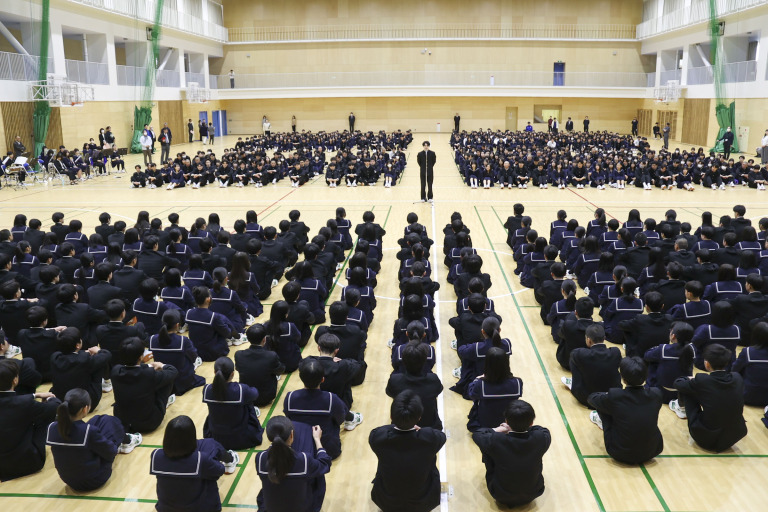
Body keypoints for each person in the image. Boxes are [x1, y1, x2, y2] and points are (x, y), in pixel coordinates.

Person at [46, 388, 142, 491]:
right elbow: (111, 452)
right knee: (113, 425)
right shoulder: (88, 431)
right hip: (95, 479)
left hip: (68, 480)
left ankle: (123, 439)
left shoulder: (53, 427)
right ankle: (127, 441)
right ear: (85, 409)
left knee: (98, 420)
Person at [369, 390, 446, 512]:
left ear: (391, 417)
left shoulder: (377, 437)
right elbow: (442, 436)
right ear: (419, 418)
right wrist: (419, 430)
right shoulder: (430, 438)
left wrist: (397, 426)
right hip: (424, 503)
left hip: (386, 502)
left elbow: (381, 431)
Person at [150, 415, 239, 512]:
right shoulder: (201, 459)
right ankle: (230, 459)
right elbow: (220, 470)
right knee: (211, 446)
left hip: (166, 509)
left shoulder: (156, 455)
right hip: (202, 509)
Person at [471, 400, 551, 508]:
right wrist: (523, 425)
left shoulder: (496, 440)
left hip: (499, 495)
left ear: (506, 421)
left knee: (488, 451)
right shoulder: (541, 438)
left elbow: (478, 434)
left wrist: (501, 429)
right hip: (534, 493)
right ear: (531, 422)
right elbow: (542, 429)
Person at [587, 357, 664, 464]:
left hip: (619, 453)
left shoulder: (615, 395)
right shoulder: (656, 393)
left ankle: (601, 421)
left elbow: (591, 399)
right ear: (645, 376)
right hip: (652, 451)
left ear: (623, 379)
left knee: (604, 405)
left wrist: (606, 395)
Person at [672, 344, 747, 452]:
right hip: (734, 436)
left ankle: (681, 409)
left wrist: (689, 379)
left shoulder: (702, 380)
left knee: (688, 390)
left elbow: (678, 384)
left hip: (706, 439)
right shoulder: (737, 377)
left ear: (707, 364)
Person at [0, 358, 60, 481]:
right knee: (41, 418)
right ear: (15, 380)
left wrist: (34, 395)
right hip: (29, 463)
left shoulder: (23, 402)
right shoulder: (25, 404)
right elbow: (54, 408)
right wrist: (51, 398)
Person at [256, 416, 332, 512]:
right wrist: (317, 439)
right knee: (318, 476)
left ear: (269, 437)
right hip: (301, 509)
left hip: (271, 509)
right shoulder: (303, 460)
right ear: (292, 435)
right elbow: (325, 463)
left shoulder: (260, 458)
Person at [283, 358, 348, 459]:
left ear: (301, 378)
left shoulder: (290, 397)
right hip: (327, 450)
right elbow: (340, 420)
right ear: (322, 379)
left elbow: (289, 419)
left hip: (299, 449)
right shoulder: (331, 398)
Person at [112, 337, 178, 433]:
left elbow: (133, 370)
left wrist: (147, 366)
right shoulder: (148, 374)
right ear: (141, 357)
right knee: (167, 379)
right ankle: (164, 402)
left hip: (122, 422)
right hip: (149, 424)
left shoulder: (115, 371)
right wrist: (161, 365)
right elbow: (173, 371)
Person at [202, 356, 263, 450]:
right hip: (240, 437)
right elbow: (255, 394)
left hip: (216, 437)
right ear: (232, 374)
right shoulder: (241, 389)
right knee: (248, 402)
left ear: (214, 372)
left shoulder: (207, 389)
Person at [562, 323, 621, 407]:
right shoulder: (615, 352)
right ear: (604, 338)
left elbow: (574, 356)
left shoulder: (579, 353)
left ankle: (575, 384)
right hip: (611, 396)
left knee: (573, 359)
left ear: (588, 340)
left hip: (586, 398)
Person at [149, 309, 205, 396]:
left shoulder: (152, 339)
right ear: (177, 325)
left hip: (163, 379)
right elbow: (194, 357)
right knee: (202, 379)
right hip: (181, 380)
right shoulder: (183, 340)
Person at [236, 324, 285, 406]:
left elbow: (238, 369)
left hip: (246, 395)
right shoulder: (271, 355)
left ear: (248, 339)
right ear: (264, 339)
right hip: (266, 397)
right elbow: (280, 370)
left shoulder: (239, 355)